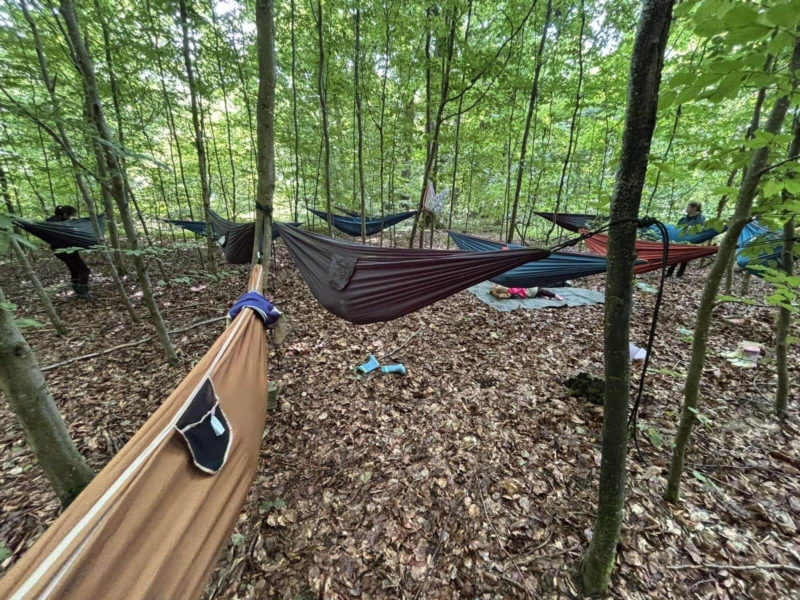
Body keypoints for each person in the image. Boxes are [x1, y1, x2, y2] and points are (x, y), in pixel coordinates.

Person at [47, 205, 92, 299]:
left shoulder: (57, 222)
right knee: (84, 271)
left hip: (65, 250)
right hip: (65, 251)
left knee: (74, 269)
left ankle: (78, 289)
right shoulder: (56, 224)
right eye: (72, 215)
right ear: (65, 214)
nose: (74, 217)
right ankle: (83, 292)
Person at [667, 202, 705, 279]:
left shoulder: (700, 218)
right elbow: (676, 229)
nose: (687, 209)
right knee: (675, 256)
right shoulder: (683, 219)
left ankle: (679, 275)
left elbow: (699, 230)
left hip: (689, 240)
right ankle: (669, 272)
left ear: (694, 209)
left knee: (685, 257)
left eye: (688, 208)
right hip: (680, 240)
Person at [490, 284, 564, 301]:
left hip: (530, 291)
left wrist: (495, 293)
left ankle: (543, 295)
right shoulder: (509, 292)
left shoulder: (508, 292)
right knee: (543, 291)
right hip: (532, 291)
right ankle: (555, 295)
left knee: (541, 292)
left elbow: (501, 295)